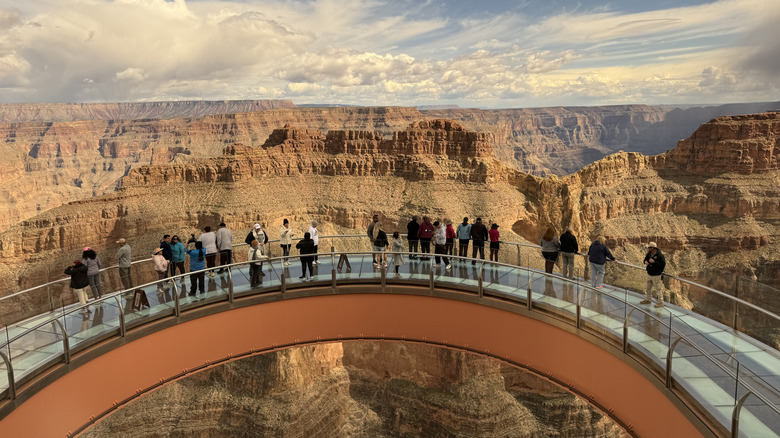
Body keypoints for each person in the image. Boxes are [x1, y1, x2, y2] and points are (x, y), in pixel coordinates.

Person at [642, 242, 667, 308]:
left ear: (653, 248)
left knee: (658, 289)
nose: (648, 248)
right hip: (649, 274)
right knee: (648, 288)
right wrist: (645, 262)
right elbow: (645, 259)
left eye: (649, 247)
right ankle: (648, 299)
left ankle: (660, 303)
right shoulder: (649, 254)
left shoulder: (660, 255)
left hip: (656, 275)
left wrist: (654, 262)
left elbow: (663, 264)